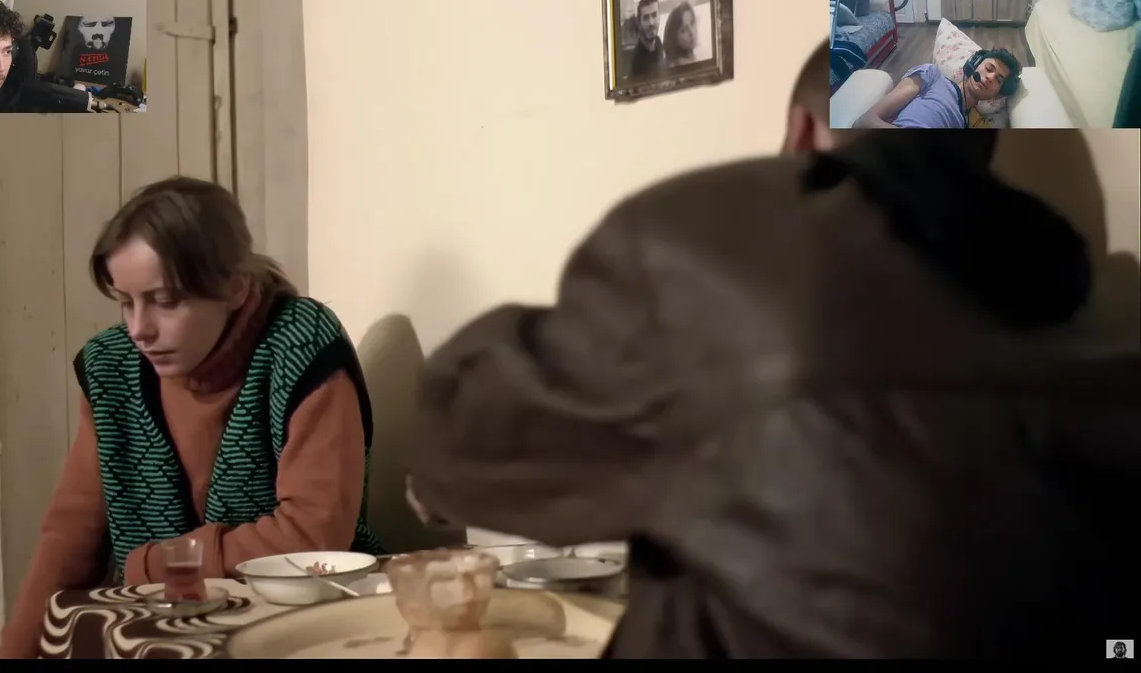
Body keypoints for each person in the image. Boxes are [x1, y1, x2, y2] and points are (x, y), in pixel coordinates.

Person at [404, 40, 1140, 657]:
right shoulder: (1104, 314)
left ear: (802, 133)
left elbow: (470, 439)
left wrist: (435, 479)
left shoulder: (725, 255)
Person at [0, 177, 384, 658]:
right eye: (125, 302)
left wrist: (158, 564)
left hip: (308, 622)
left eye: (165, 301)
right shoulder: (112, 366)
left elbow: (312, 536)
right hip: (165, 634)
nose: (139, 329)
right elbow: (70, 536)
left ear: (234, 288)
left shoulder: (300, 343)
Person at [854, 48, 1021, 129]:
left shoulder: (969, 122)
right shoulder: (932, 75)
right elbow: (865, 121)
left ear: (997, 93)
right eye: (989, 68)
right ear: (973, 64)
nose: (990, 77)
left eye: (999, 80)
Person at [630, 0, 665, 79]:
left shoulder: (658, 41)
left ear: (659, 16)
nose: (651, 22)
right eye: (646, 18)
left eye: (654, 15)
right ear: (639, 23)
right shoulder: (637, 62)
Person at [662, 0, 699, 68]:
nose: (691, 32)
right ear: (674, 39)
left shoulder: (689, 59)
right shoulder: (682, 64)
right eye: (683, 30)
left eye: (692, 23)